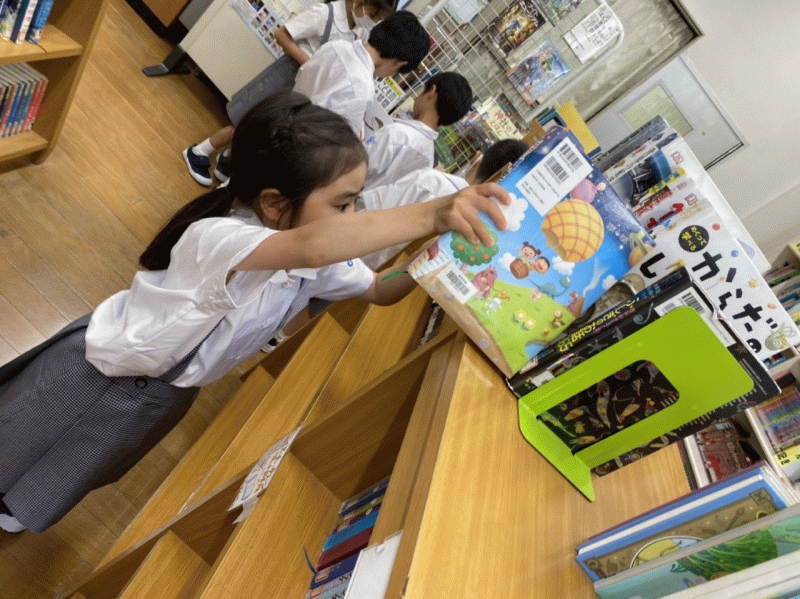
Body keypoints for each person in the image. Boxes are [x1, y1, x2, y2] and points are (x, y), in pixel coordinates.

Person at [0, 91, 509, 534]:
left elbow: (377, 289)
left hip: (167, 391)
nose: (351, 217)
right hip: (104, 369)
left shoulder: (309, 256)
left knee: (84, 462)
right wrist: (433, 212)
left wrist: (433, 262)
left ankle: (20, 506)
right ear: (274, 203)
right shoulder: (223, 237)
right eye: (343, 205)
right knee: (20, 432)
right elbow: (311, 246)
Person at [183, 0, 396, 187]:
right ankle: (199, 151)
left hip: (306, 88)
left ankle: (228, 159)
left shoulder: (359, 32)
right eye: (373, 13)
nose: (373, 20)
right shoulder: (325, 13)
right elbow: (282, 34)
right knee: (247, 120)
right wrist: (312, 63)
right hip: (286, 75)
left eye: (378, 18)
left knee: (266, 130)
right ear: (360, 2)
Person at [359, 138, 529, 269]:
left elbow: (366, 211)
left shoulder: (431, 181)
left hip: (353, 262)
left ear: (478, 159)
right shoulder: (483, 236)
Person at [292, 9, 430, 139]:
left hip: (286, 114)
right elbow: (336, 138)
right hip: (301, 142)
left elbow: (302, 75)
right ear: (399, 64)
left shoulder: (336, 45)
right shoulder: (363, 87)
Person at [362, 71, 472, 190]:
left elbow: (356, 164)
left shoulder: (397, 134)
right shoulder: (429, 160)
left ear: (431, 92)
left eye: (423, 90)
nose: (417, 97)